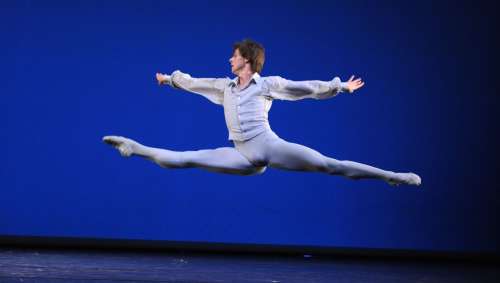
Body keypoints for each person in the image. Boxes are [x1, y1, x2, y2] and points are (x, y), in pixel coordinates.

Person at [103, 39, 421, 186]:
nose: (230, 60)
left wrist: (339, 87)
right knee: (186, 158)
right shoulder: (225, 87)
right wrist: (169, 80)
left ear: (248, 60)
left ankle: (392, 177)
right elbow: (194, 82)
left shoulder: (268, 84)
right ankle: (135, 148)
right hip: (242, 155)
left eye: (234, 56)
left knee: (330, 165)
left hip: (268, 145)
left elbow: (306, 88)